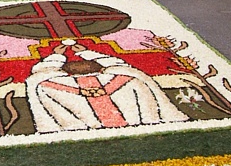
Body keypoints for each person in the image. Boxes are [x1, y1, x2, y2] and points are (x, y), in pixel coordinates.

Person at [25, 41, 188, 133]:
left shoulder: (48, 86)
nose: (78, 62)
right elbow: (120, 65)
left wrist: (56, 55)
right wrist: (88, 53)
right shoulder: (128, 78)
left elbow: (40, 74)